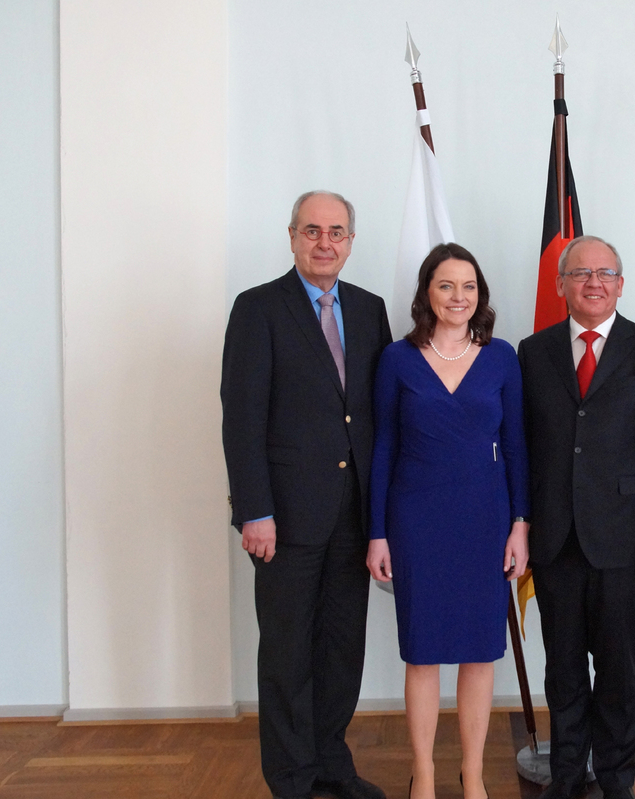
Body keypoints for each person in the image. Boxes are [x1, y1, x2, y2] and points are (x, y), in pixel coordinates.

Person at [221, 191, 392, 799]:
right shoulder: (258, 308)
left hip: (353, 514)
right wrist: (255, 511)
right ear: (292, 237)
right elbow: (241, 418)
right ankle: (291, 780)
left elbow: (376, 416)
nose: (325, 242)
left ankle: (330, 764)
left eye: (337, 232)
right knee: (288, 653)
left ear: (350, 241)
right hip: (286, 518)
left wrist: (383, 516)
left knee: (342, 648)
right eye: (313, 231)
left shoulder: (371, 311)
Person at [518, 235, 635, 799]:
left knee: (617, 672)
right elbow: (525, 446)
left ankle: (617, 781)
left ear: (620, 283)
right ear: (561, 284)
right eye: (581, 273)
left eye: (605, 273)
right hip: (556, 537)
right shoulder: (532, 351)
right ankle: (566, 779)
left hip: (624, 539)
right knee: (562, 671)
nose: (593, 282)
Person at [366, 243, 530, 799]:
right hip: (416, 520)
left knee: (481, 651)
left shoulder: (502, 356)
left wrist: (520, 524)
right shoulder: (396, 358)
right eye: (446, 286)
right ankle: (426, 778)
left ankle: (475, 776)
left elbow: (516, 448)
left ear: (479, 295)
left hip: (485, 518)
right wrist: (376, 531)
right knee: (423, 650)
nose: (458, 297)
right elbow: (383, 447)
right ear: (426, 293)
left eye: (468, 287)